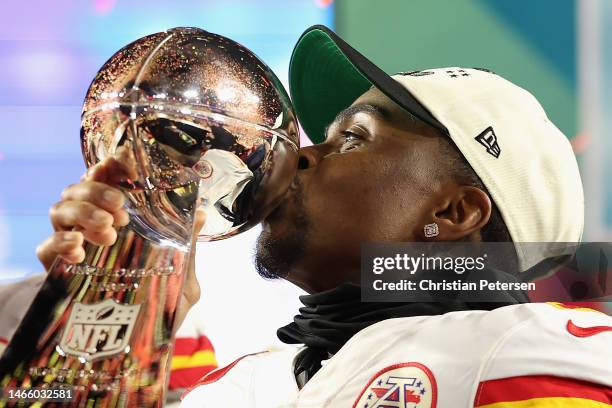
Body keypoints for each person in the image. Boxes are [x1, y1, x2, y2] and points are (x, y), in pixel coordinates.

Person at [35, 25, 612, 407]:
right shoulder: (229, 388)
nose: (302, 154)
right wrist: (109, 321)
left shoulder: (524, 349)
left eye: (353, 139)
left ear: (454, 212)